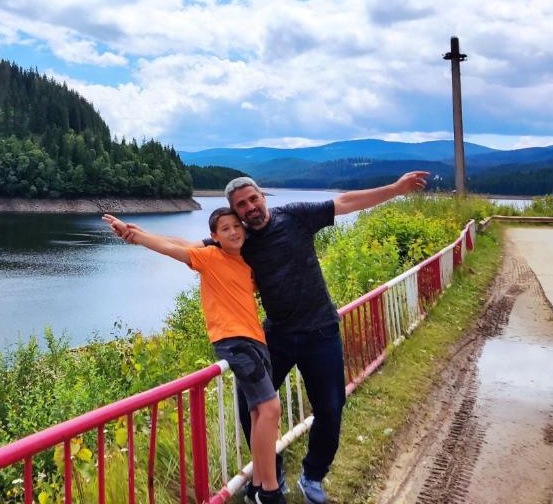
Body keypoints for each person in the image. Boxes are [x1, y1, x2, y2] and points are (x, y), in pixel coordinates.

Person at [120, 171, 429, 504]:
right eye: (241, 206)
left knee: (331, 406)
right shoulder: (239, 239)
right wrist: (139, 233)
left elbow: (345, 202)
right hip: (276, 335)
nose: (250, 207)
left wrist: (396, 189)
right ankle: (272, 474)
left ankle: (312, 476)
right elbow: (191, 247)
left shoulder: (295, 216)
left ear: (263, 196)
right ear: (235, 213)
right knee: (249, 405)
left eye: (253, 199)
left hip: (320, 330)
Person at [103, 208, 286, 504]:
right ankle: (270, 490)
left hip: (256, 339)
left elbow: (179, 238)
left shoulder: (246, 263)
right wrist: (135, 236)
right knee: (272, 409)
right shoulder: (209, 258)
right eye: (224, 229)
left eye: (236, 226)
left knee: (258, 413)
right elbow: (173, 248)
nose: (233, 232)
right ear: (214, 237)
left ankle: (259, 485)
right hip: (233, 342)